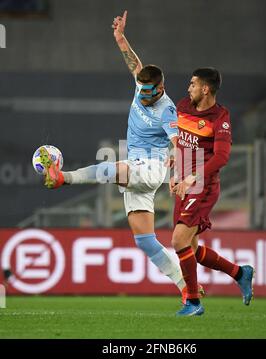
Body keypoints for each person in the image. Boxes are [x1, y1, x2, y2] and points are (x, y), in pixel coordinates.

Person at [38, 10, 204, 304]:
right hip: (138, 170)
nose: (141, 97)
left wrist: (177, 169)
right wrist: (119, 37)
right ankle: (186, 287)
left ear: (161, 89)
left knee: (113, 168)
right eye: (140, 91)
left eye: (148, 94)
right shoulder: (143, 84)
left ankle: (63, 177)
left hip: (151, 168)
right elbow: (134, 63)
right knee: (146, 241)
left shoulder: (167, 111)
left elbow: (179, 142)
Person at [170, 68, 254, 316]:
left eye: (193, 84)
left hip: (202, 185)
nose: (189, 88)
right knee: (191, 249)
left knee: (178, 240)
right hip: (183, 184)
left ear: (205, 89)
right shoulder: (183, 106)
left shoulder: (220, 117)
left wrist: (192, 177)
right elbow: (178, 140)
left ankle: (193, 302)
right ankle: (240, 272)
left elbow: (221, 157)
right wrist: (174, 170)